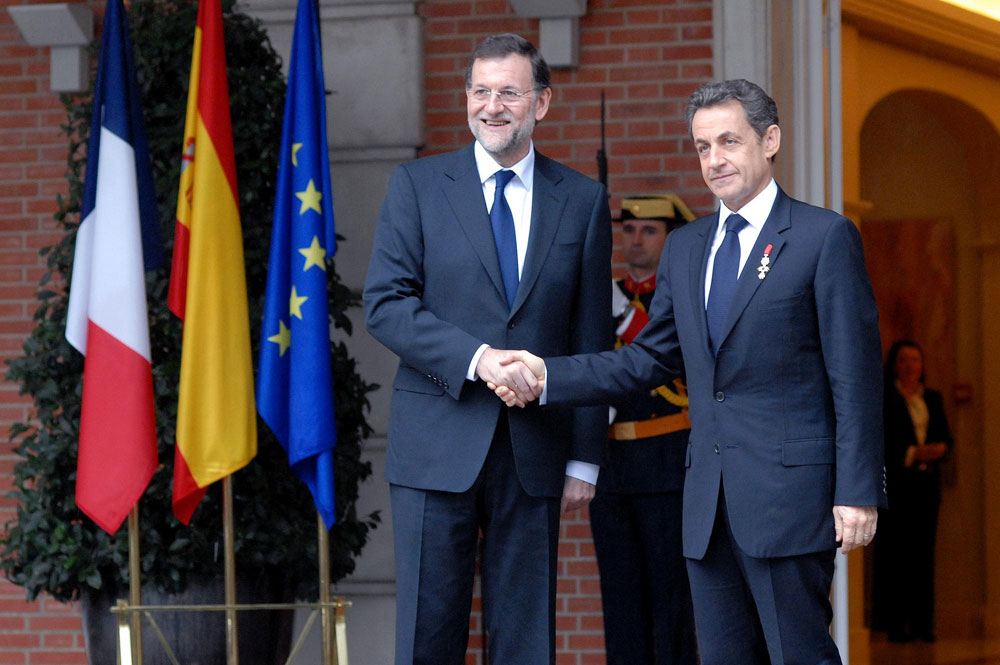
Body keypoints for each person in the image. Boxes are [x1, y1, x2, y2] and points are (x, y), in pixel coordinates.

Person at [492, 79, 887, 665]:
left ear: (770, 139)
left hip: (788, 499)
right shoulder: (687, 247)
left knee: (798, 653)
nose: (715, 160)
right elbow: (648, 359)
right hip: (705, 503)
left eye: (729, 141)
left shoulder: (822, 237)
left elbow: (854, 378)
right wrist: (549, 376)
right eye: (703, 147)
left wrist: (857, 492)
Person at [362, 33, 612, 665]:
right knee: (428, 635)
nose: (492, 105)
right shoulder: (417, 185)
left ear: (542, 103)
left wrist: (585, 458)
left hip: (534, 451)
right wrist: (477, 359)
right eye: (480, 91)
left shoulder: (582, 201)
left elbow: (591, 337)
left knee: (527, 640)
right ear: (466, 98)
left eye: (509, 91)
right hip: (435, 445)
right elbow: (386, 304)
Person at [594, 196, 698, 665]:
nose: (636, 240)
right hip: (612, 468)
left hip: (667, 462)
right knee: (620, 602)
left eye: (649, 230)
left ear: (671, 238)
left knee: (672, 600)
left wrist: (626, 316)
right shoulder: (608, 295)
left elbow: (670, 357)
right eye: (630, 230)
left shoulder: (683, 293)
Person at [874, 339, 951, 643]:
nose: (910, 366)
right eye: (904, 360)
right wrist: (911, 453)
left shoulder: (931, 398)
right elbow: (882, 442)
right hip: (896, 486)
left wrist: (939, 449)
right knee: (896, 556)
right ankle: (895, 624)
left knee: (923, 556)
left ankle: (923, 623)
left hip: (926, 487)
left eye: (915, 360)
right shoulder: (885, 398)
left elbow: (945, 435)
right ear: (895, 364)